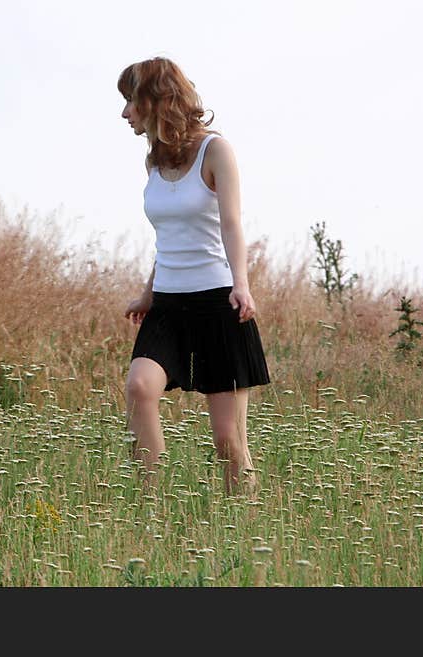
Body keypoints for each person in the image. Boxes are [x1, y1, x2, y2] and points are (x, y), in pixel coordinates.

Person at [119, 57, 270, 495]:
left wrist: (241, 285)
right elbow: (171, 235)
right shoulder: (154, 164)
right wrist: (148, 293)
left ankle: (246, 524)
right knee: (139, 387)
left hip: (217, 302)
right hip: (167, 305)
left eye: (131, 100)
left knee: (228, 440)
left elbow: (231, 224)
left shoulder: (215, 150)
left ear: (155, 99)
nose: (125, 112)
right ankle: (150, 504)